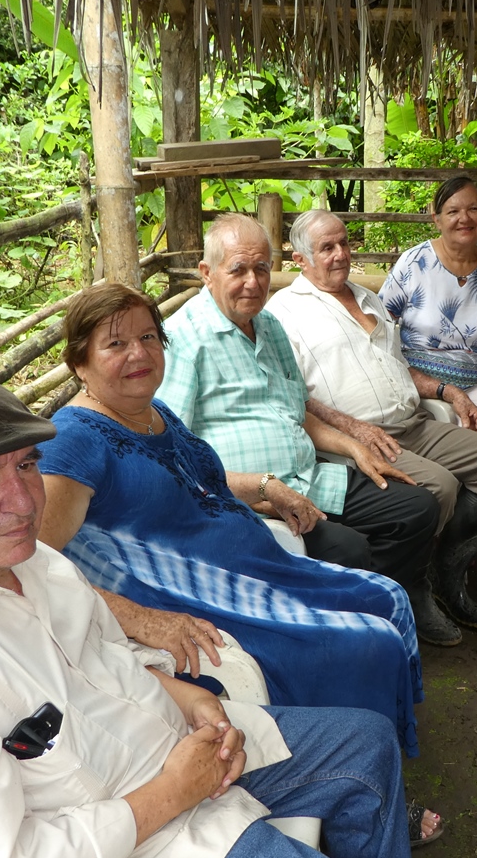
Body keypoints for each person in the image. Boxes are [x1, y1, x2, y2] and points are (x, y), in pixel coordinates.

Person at [0, 369, 413, 858]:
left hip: (184, 750)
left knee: (367, 742)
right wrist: (173, 792)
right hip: (138, 854)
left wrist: (191, 697)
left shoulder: (35, 562)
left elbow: (105, 654)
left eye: (26, 465)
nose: (24, 500)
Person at [35, 283, 430, 773]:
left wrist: (268, 487)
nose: (139, 353)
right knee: (368, 641)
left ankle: (379, 751)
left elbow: (200, 483)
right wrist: (140, 619)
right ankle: (351, 772)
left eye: (149, 337)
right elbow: (35, 565)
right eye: (115, 344)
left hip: (260, 566)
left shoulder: (155, 414)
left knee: (386, 596)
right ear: (80, 363)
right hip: (206, 602)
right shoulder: (74, 442)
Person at [267, 210, 477, 646]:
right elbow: (293, 395)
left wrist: (446, 390)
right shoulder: (283, 314)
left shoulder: (367, 297)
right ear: (300, 259)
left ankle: (449, 570)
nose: (340, 255)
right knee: (438, 488)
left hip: (413, 421)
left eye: (344, 243)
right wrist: (353, 430)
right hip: (359, 436)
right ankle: (414, 588)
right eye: (326, 248)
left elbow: (400, 367)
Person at [158, 213, 441, 604]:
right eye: (238, 270)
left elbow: (297, 410)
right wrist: (259, 485)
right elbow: (171, 451)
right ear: (208, 273)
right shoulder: (184, 340)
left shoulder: (270, 326)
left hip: (309, 477)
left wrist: (354, 447)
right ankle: (350, 620)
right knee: (348, 549)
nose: (253, 282)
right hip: (251, 497)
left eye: (261, 268)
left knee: (417, 508)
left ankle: (382, 605)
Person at [378, 177, 477, 451]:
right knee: (445, 437)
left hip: (475, 382)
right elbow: (379, 325)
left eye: (473, 209)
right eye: (453, 211)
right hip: (420, 384)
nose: (464, 218)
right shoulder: (414, 262)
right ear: (437, 219)